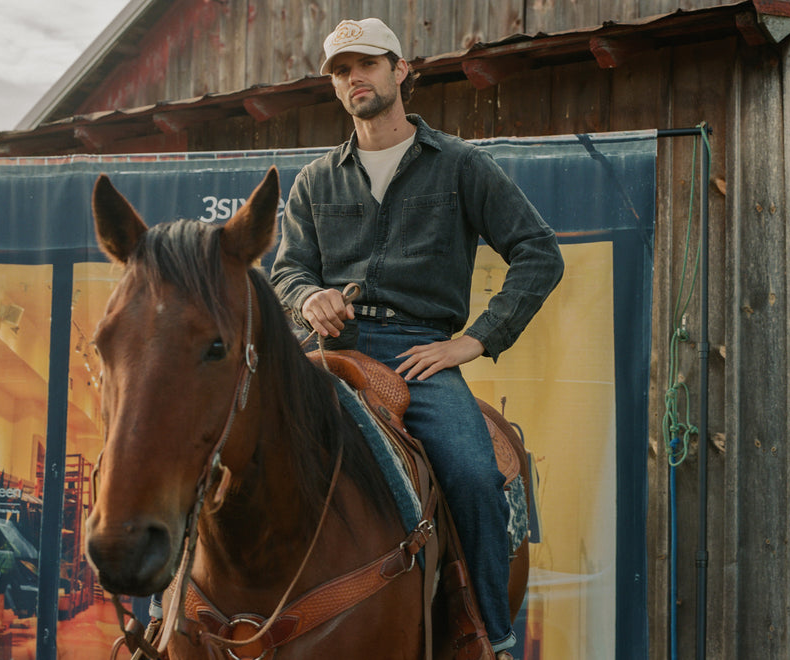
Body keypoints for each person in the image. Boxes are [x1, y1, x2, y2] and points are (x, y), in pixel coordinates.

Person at [270, 17, 564, 659]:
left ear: (401, 70)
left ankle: (488, 637)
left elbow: (540, 253)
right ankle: (181, 622)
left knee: (472, 474)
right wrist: (306, 295)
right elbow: (287, 268)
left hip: (416, 354)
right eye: (342, 71)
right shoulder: (315, 179)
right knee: (224, 448)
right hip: (322, 347)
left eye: (368, 65)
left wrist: (476, 341)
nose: (355, 80)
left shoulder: (461, 166)